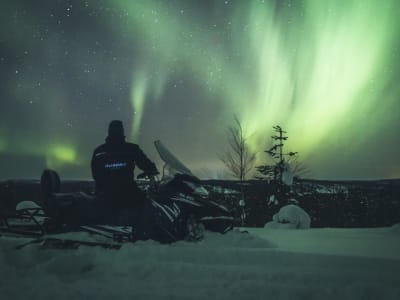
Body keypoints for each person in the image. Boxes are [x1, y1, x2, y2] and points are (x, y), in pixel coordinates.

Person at [91, 120, 159, 228]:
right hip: (127, 189)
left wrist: (103, 185)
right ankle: (144, 229)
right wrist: (152, 170)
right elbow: (145, 164)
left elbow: (95, 173)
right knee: (147, 203)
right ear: (122, 131)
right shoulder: (131, 149)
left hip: (105, 191)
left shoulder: (99, 151)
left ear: (109, 132)